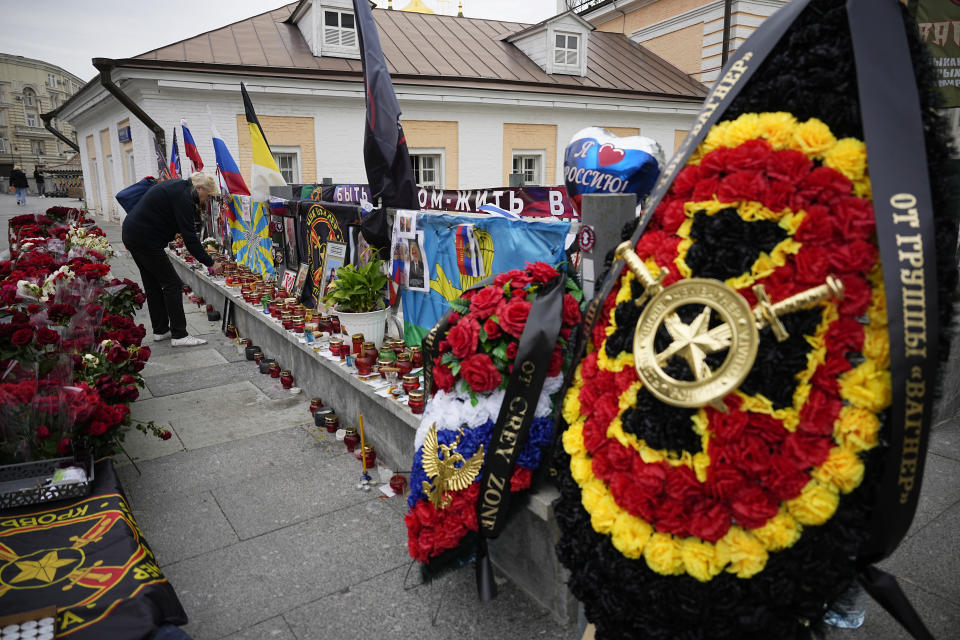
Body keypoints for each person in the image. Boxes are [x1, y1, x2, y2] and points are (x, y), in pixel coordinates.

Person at [121, 172, 224, 347]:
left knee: (153, 284)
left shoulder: (178, 187)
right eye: (206, 196)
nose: (205, 201)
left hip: (133, 233)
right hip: (145, 239)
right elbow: (190, 239)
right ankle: (179, 334)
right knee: (173, 284)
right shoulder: (184, 198)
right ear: (199, 188)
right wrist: (211, 262)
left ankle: (161, 330)